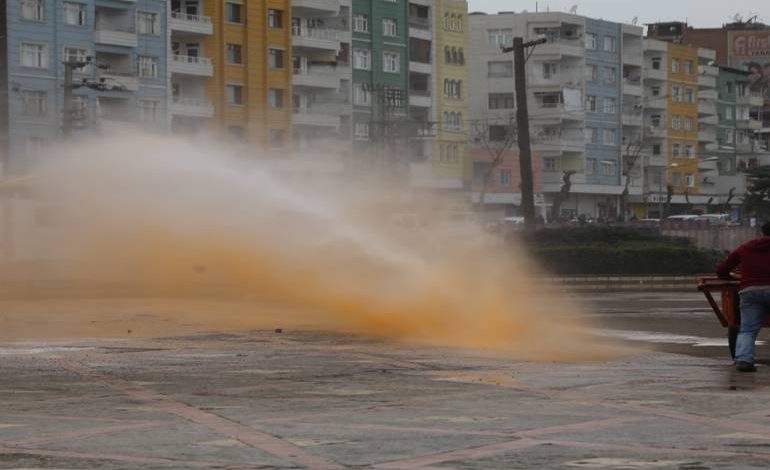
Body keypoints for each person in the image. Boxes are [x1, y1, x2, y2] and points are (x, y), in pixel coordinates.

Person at [716, 222, 770, 372]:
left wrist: (731, 277)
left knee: (747, 329)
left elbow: (721, 269)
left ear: (761, 232)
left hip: (750, 291)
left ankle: (744, 360)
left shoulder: (746, 247)